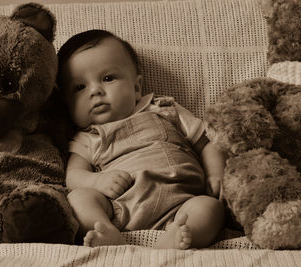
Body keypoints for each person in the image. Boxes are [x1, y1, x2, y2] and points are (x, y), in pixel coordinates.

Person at [57, 29, 225, 249]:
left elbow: (207, 141)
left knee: (210, 208)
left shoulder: (163, 109)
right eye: (79, 87)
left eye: (107, 78)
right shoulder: (87, 138)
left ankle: (175, 239)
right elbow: (73, 176)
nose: (95, 91)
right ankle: (107, 232)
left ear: (136, 88)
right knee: (79, 199)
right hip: (121, 208)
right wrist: (96, 182)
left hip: (183, 203)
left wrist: (215, 174)